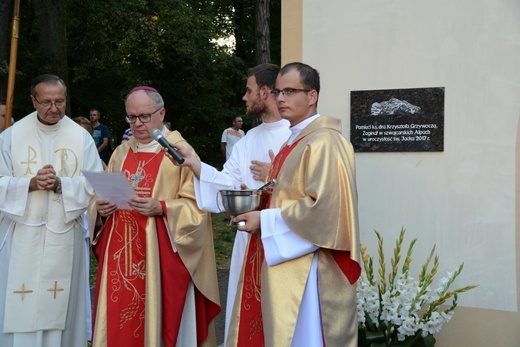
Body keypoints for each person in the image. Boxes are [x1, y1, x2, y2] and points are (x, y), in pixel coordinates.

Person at [232, 62, 362, 346]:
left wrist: (264, 220)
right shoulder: (294, 141)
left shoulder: (326, 142)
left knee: (303, 335)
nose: (280, 98)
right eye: (278, 91)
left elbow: (326, 210)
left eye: (290, 91)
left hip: (308, 270)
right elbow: (287, 194)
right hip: (283, 260)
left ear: (312, 96)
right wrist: (258, 201)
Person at [165, 63, 291, 345]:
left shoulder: (295, 135)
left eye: (249, 91)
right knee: (245, 313)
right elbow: (228, 182)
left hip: (283, 240)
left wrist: (278, 173)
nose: (245, 97)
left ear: (266, 92)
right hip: (247, 241)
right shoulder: (250, 139)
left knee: (280, 316)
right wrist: (194, 164)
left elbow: (310, 187)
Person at [90, 86, 220, 346]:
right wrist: (100, 210)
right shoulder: (121, 152)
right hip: (121, 256)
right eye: (131, 117)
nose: (137, 124)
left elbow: (198, 208)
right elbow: (100, 195)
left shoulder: (180, 151)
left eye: (144, 116)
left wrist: (162, 207)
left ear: (161, 113)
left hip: (160, 256)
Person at [0, 74, 104, 347]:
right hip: (21, 234)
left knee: (60, 303)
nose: (54, 108)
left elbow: (95, 183)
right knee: (20, 300)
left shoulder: (80, 137)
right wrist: (29, 184)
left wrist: (61, 184)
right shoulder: (12, 136)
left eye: (59, 101)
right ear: (33, 100)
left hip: (64, 234)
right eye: (46, 101)